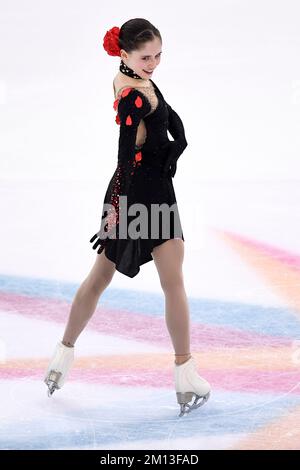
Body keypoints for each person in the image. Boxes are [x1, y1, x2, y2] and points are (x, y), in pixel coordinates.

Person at [44, 18, 211, 417]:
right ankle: (184, 373)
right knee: (166, 280)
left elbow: (163, 116)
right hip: (138, 191)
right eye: (145, 56)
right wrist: (118, 208)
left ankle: (60, 358)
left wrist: (173, 142)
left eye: (158, 55)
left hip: (145, 187)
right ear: (124, 55)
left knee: (107, 276)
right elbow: (124, 155)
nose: (153, 63)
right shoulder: (132, 95)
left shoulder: (129, 76)